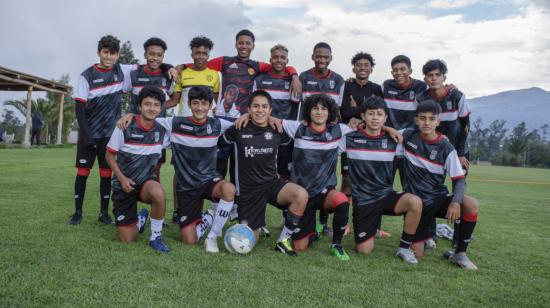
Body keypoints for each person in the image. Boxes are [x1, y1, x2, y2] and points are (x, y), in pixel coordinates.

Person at [68, 35, 175, 225]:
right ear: (99, 52)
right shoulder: (87, 75)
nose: (109, 57)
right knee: (83, 173)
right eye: (105, 52)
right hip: (89, 134)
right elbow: (79, 108)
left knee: (106, 174)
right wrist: (86, 134)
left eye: (113, 53)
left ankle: (104, 214)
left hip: (110, 133)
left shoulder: (122, 70)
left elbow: (153, 64)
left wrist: (170, 67)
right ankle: (77, 213)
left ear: (118, 55)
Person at [118, 86, 237, 253]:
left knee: (229, 189)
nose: (200, 108)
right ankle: (208, 218)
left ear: (211, 106)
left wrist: (246, 115)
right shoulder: (175, 123)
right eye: (195, 103)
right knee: (189, 241)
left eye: (204, 104)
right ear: (189, 104)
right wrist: (131, 115)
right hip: (186, 187)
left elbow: (240, 124)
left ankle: (212, 236)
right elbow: (147, 118)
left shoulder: (218, 124)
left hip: (209, 180)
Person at [222, 90, 308, 256]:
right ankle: (253, 224)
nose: (260, 110)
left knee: (301, 195)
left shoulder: (277, 130)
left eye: (264, 107)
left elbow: (290, 147)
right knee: (246, 243)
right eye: (255, 106)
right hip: (248, 192)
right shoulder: (238, 128)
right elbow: (220, 143)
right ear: (249, 109)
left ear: (270, 110)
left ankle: (283, 241)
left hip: (271, 184)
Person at [401, 101, 479, 270]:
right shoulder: (407, 136)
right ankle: (426, 235)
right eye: (422, 118)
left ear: (438, 122)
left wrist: (455, 201)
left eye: (431, 119)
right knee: (418, 254)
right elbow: (385, 130)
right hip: (417, 205)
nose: (427, 122)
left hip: (437, 198)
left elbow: (459, 180)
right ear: (416, 120)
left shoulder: (446, 147)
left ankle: (459, 253)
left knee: (471, 204)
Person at [344, 96, 422, 263]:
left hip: (385, 195)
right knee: (364, 250)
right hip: (364, 201)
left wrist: (444, 140)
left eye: (379, 114)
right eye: (370, 114)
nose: (375, 117)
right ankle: (370, 229)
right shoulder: (349, 137)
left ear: (385, 117)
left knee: (415, 202)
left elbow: (422, 131)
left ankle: (404, 248)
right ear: (363, 116)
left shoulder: (394, 138)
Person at [281, 94, 353, 260]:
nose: (319, 112)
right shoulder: (297, 128)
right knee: (300, 247)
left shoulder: (339, 130)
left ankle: (336, 245)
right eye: (315, 108)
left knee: (342, 200)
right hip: (301, 195)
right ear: (308, 111)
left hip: (324, 192)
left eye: (323, 109)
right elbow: (273, 121)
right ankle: (312, 231)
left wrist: (388, 129)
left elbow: (368, 127)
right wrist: (247, 114)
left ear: (330, 112)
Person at [105, 86, 171, 253]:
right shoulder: (124, 125)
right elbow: (109, 156)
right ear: (139, 106)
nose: (152, 108)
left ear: (161, 108)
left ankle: (155, 237)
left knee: (159, 193)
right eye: (147, 104)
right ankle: (140, 221)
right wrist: (121, 178)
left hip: (146, 183)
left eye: (156, 105)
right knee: (127, 240)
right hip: (124, 184)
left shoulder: (163, 128)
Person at [416, 59, 471, 247]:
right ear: (425, 78)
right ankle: (429, 235)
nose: (433, 78)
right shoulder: (421, 98)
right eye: (429, 75)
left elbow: (466, 125)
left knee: (459, 192)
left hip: (457, 150)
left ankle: (458, 239)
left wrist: (461, 152)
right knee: (431, 190)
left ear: (444, 77)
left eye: (437, 75)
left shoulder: (457, 96)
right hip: (435, 150)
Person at [299, 42, 346, 236]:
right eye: (318, 56)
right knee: (303, 172)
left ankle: (323, 223)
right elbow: (302, 105)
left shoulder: (339, 79)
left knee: (327, 174)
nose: (322, 60)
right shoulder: (303, 77)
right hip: (308, 131)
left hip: (329, 132)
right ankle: (297, 215)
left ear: (331, 58)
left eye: (325, 57)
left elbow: (338, 108)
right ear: (313, 57)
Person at [128, 37, 175, 181]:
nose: (155, 58)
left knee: (155, 171)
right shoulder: (133, 73)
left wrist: (156, 109)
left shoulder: (168, 76)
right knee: (132, 171)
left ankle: (154, 202)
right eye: (151, 54)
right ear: (145, 55)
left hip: (157, 132)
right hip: (134, 131)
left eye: (159, 55)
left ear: (163, 57)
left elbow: (174, 99)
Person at [253, 44, 298, 179]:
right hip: (262, 132)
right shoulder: (260, 79)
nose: (279, 60)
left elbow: (295, 108)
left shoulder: (293, 81)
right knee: (261, 174)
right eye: (275, 57)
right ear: (270, 59)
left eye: (282, 57)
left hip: (284, 135)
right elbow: (253, 105)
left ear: (287, 61)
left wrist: (290, 130)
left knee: (284, 175)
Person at [166, 36, 219, 117]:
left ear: (208, 56)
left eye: (204, 54)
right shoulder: (181, 74)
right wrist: (152, 109)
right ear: (192, 55)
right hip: (184, 122)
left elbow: (216, 103)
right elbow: (174, 101)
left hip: (206, 124)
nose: (201, 57)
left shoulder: (215, 75)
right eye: (197, 53)